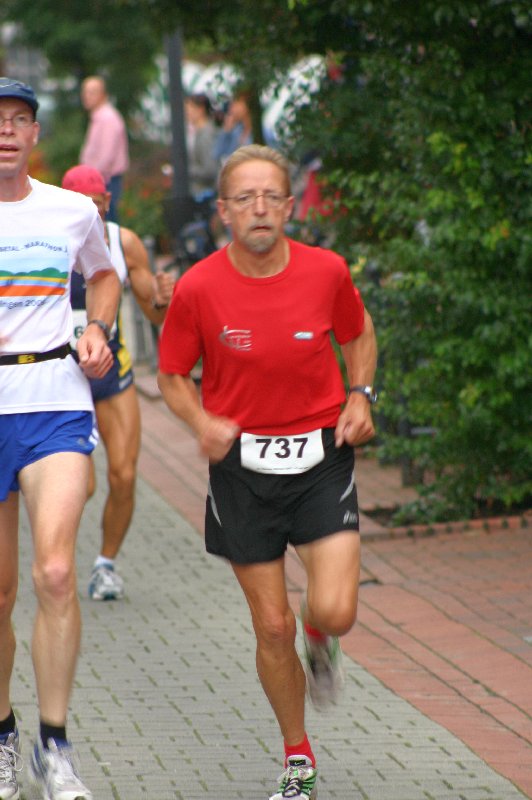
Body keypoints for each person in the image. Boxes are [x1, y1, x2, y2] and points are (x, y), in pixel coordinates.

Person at [157, 144, 377, 800]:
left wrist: (361, 396)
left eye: (270, 196)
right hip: (242, 468)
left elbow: (358, 334)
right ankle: (297, 756)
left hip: (320, 457)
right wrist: (200, 422)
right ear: (223, 211)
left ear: (288, 206)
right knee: (272, 625)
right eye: (244, 198)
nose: (259, 208)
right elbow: (171, 374)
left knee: (334, 609)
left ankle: (322, 639)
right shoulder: (199, 287)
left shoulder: (326, 271)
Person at [0, 77, 121, 800]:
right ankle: (2, 738)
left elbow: (104, 276)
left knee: (52, 574)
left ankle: (56, 747)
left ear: (35, 135)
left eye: (19, 120)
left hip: (55, 399)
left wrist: (97, 328)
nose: (6, 131)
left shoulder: (71, 210)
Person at [61, 164, 175, 601]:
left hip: (112, 374)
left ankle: (105, 565)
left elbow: (154, 315)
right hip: (62, 378)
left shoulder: (123, 243)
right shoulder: (47, 239)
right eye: (80, 207)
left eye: (96, 206)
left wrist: (162, 300)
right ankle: (57, 560)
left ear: (108, 202)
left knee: (124, 475)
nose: (89, 215)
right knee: (80, 485)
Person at [80, 75, 129, 223]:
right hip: (101, 181)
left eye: (92, 92)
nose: (86, 96)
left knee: (107, 225)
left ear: (103, 94)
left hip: (105, 182)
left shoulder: (108, 118)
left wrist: (91, 181)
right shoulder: (98, 117)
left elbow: (106, 156)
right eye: (85, 92)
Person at [185, 93, 218, 199]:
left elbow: (209, 169)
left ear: (201, 109)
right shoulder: (198, 133)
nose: (186, 113)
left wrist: (185, 170)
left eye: (189, 108)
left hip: (205, 196)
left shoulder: (206, 134)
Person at [213, 91, 253, 166]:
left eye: (236, 103)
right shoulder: (235, 131)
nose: (231, 108)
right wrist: (226, 130)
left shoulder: (264, 133)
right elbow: (216, 154)